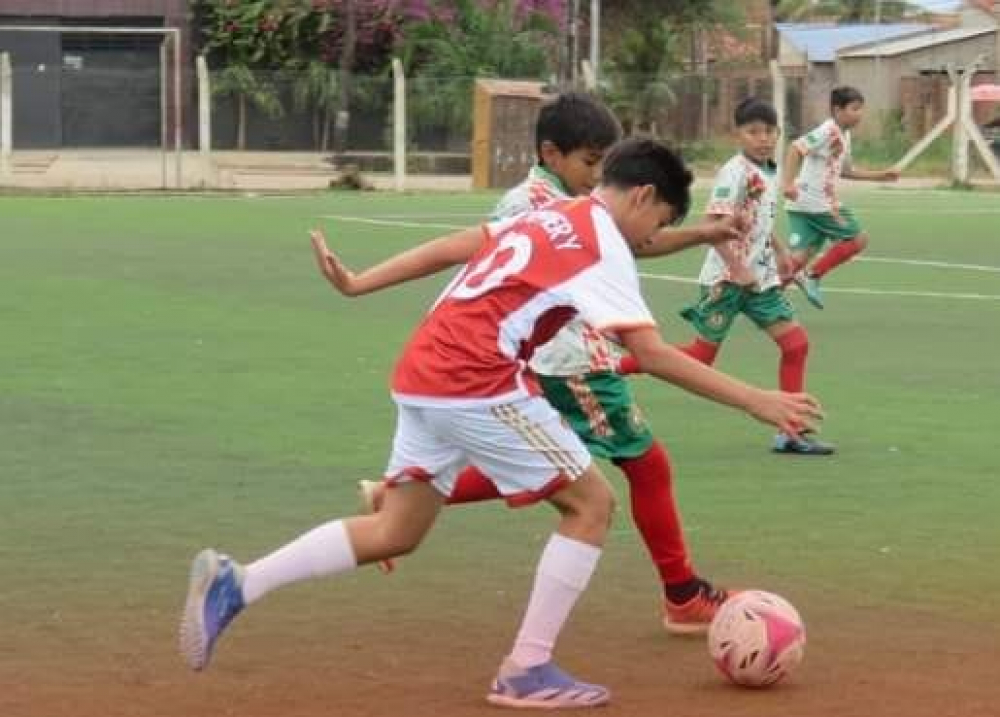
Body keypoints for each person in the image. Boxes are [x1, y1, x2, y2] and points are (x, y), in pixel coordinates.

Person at [180, 138, 823, 709]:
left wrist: (360, 285)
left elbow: (456, 246)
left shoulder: (551, 216)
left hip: (422, 369)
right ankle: (526, 669)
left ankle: (240, 583)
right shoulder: (604, 245)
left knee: (396, 529)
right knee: (591, 504)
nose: (649, 239)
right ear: (645, 196)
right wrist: (756, 400)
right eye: (656, 224)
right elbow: (652, 356)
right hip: (474, 377)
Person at [354, 90, 748, 634]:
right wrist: (760, 402)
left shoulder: (569, 197)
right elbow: (483, 259)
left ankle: (393, 494)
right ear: (551, 153)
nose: (596, 176)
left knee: (560, 463)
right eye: (589, 163)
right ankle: (680, 595)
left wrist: (702, 232)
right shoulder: (536, 205)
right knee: (637, 466)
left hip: (543, 357)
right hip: (565, 360)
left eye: (603, 164)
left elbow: (632, 240)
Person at [675, 98, 834, 456]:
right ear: (738, 135)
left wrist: (778, 251)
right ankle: (615, 363)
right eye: (753, 132)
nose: (763, 138)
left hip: (759, 281)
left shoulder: (769, 170)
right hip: (727, 281)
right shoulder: (735, 172)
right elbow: (712, 226)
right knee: (699, 360)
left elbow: (761, 218)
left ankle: (790, 432)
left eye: (769, 131)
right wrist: (736, 267)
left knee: (796, 345)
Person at [782, 86, 900, 309]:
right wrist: (787, 183)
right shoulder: (829, 131)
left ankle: (764, 300)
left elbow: (846, 170)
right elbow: (796, 148)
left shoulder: (843, 135)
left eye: (861, 109)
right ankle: (813, 276)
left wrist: (881, 175)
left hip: (802, 203)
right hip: (818, 203)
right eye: (854, 109)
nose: (859, 114)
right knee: (858, 239)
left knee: (798, 258)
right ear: (837, 109)